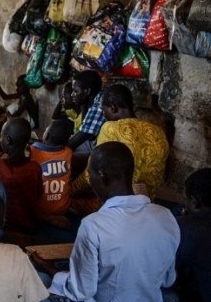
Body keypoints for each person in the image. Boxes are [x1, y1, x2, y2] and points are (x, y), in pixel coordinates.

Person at [32, 142, 180, 302]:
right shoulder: (165, 216)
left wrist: (48, 268)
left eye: (89, 174)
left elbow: (81, 290)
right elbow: (168, 279)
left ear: (102, 176)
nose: (89, 180)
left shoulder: (93, 225)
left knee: (35, 278)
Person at [71, 84, 169, 215]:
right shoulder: (158, 131)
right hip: (147, 201)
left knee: (67, 202)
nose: (104, 115)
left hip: (118, 205)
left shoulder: (111, 128)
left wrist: (71, 190)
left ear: (113, 108)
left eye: (103, 110)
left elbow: (91, 174)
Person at [161, 168, 211, 302]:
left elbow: (161, 272)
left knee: (154, 290)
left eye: (186, 200)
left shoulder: (185, 228)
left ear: (195, 203)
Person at [0, 118, 43, 245]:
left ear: (7, 140)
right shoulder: (35, 167)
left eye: (1, 136)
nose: (0, 140)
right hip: (30, 227)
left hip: (6, 230)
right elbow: (39, 194)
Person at [30, 119, 73, 229]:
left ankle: (47, 218)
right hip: (63, 208)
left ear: (46, 135)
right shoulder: (68, 152)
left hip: (40, 209)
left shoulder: (32, 151)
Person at [66, 70, 105, 156]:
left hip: (105, 149)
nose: (72, 94)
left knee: (69, 153)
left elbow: (85, 134)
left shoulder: (99, 103)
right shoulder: (92, 99)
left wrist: (60, 153)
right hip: (94, 142)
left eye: (76, 91)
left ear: (87, 91)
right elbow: (84, 128)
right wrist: (83, 104)